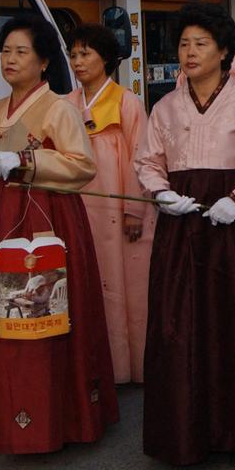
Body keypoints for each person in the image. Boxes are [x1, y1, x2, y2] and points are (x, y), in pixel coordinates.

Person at [134, 3, 235, 467]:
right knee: (180, 323)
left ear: (224, 51)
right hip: (182, 226)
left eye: (201, 44)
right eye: (184, 44)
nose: (190, 52)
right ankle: (185, 433)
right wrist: (160, 192)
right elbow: (147, 160)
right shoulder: (165, 106)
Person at [0, 15, 118, 453]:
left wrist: (26, 163)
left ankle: (54, 417)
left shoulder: (58, 109)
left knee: (40, 309)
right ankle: (0, 413)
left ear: (43, 61)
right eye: (5, 51)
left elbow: (82, 165)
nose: (10, 59)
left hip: (43, 218)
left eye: (21, 51)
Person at [65, 25, 151, 384]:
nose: (78, 62)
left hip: (116, 207)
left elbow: (140, 157)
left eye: (85, 54)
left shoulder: (126, 102)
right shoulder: (65, 104)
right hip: (77, 204)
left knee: (124, 285)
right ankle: (90, 364)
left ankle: (126, 365)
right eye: (73, 55)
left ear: (105, 59)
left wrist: (134, 208)